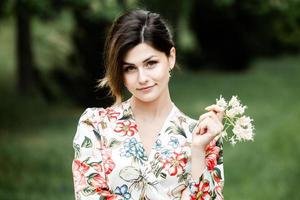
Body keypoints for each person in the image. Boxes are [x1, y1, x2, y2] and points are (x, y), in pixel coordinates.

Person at [72, 9, 224, 200]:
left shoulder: (202, 136)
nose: (142, 78)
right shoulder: (95, 126)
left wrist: (198, 150)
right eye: (129, 68)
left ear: (171, 58)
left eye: (151, 63)